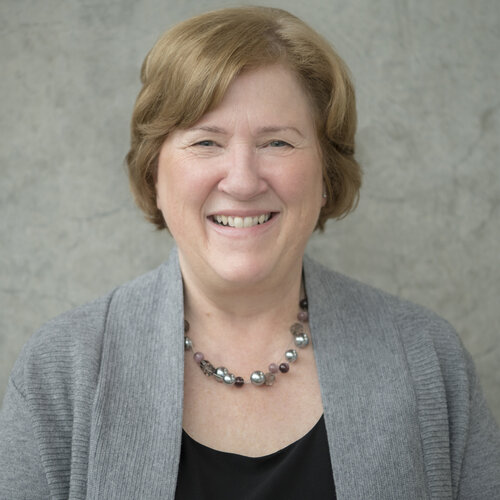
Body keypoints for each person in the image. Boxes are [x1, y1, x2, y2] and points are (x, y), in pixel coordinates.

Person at [0, 6, 499, 499]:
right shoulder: (61, 371)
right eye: (206, 142)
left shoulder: (427, 359)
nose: (241, 181)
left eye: (278, 142)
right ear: (155, 174)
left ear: (326, 176)